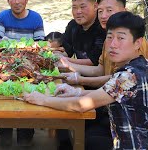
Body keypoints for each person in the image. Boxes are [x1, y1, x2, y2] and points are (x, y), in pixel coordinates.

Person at [24, 11, 148, 150]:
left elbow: (81, 105)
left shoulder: (128, 76)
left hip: (132, 144)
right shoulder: (139, 66)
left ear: (138, 43)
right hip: (126, 137)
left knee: (83, 140)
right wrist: (76, 92)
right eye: (109, 37)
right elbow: (108, 92)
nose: (113, 44)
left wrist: (42, 99)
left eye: (121, 38)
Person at [0, 0, 44, 147]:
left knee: (27, 99)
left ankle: (26, 134)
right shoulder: (2, 16)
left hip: (28, 67)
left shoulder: (36, 18)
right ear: (8, 0)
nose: (16, 1)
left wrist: (12, 44)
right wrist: (23, 46)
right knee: (4, 98)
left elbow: (39, 47)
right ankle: (5, 132)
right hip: (6, 67)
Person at [61, 0, 106, 66]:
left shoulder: (102, 27)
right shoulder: (72, 25)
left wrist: (65, 60)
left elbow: (94, 61)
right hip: (78, 71)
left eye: (82, 7)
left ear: (95, 6)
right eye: (74, 7)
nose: (78, 11)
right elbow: (66, 50)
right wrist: (56, 55)